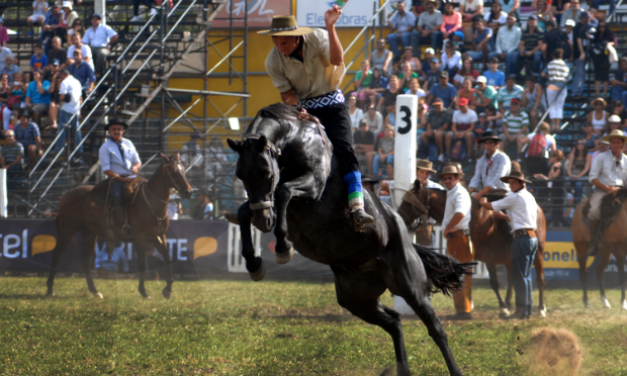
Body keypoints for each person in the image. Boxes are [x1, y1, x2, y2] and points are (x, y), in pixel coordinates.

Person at [480, 169, 538, 320]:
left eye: (513, 182)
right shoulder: (529, 196)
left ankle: (520, 311)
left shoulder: (514, 196)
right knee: (525, 276)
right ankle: (527, 310)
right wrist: (505, 216)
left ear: (521, 183)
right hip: (531, 237)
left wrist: (482, 197)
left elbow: (488, 207)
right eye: (510, 182)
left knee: (518, 276)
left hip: (521, 239)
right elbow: (520, 217)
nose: (511, 185)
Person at [438, 164, 473, 320]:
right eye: (445, 178)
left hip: (459, 238)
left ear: (457, 178)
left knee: (459, 275)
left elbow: (460, 212)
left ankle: (463, 312)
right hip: (456, 238)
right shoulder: (454, 192)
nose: (447, 181)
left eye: (450, 178)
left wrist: (448, 228)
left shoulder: (459, 192)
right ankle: (463, 309)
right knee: (458, 274)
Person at [586, 129, 627, 256]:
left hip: (622, 191)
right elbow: (592, 177)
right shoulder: (601, 157)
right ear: (610, 144)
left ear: (622, 144)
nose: (615, 144)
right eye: (613, 142)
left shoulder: (626, 159)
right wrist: (607, 189)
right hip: (602, 190)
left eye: (618, 142)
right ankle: (593, 242)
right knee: (593, 211)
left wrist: (620, 190)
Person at [99, 119, 142, 237]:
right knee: (117, 196)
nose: (116, 131)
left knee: (146, 193)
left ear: (122, 131)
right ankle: (124, 225)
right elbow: (106, 169)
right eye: (113, 129)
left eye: (119, 129)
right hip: (116, 179)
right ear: (109, 131)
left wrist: (135, 167)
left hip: (132, 177)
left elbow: (138, 161)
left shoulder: (129, 143)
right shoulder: (105, 147)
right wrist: (122, 180)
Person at [469, 131, 512, 199]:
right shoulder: (481, 160)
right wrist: (468, 194)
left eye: (490, 143)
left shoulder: (503, 158)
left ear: (497, 144)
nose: (488, 146)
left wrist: (480, 194)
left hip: (501, 193)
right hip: (486, 194)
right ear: (483, 145)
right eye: (486, 143)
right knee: (470, 197)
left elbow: (498, 178)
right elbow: (476, 178)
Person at [54, 69, 83, 154]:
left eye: (60, 76)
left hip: (66, 109)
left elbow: (62, 96)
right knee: (77, 130)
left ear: (63, 75)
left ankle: (58, 149)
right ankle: (80, 149)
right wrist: (79, 111)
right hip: (75, 109)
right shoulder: (77, 82)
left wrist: (57, 99)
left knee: (61, 130)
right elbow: (80, 99)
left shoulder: (65, 82)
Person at [543, 48, 569, 132]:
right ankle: (558, 126)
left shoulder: (551, 63)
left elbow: (543, 74)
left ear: (553, 56)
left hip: (552, 85)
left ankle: (553, 125)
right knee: (559, 106)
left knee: (551, 105)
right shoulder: (566, 65)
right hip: (562, 86)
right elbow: (569, 76)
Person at [422, 97, 453, 162]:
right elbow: (429, 124)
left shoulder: (447, 112)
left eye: (438, 105)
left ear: (442, 105)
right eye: (435, 105)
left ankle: (441, 154)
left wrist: (434, 131)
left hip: (443, 131)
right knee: (422, 135)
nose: (437, 107)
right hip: (432, 130)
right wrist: (428, 131)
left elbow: (445, 126)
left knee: (437, 134)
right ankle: (430, 153)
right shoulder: (432, 111)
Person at [490, 13, 521, 77]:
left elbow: (517, 45)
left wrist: (507, 52)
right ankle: (492, 74)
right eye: (508, 19)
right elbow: (497, 43)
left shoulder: (518, 30)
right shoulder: (501, 29)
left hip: (511, 52)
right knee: (490, 55)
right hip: (500, 52)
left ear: (515, 20)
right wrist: (500, 52)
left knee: (509, 56)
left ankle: (508, 76)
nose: (509, 21)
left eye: (511, 19)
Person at [569, 12, 592, 100]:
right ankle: (574, 92)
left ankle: (580, 91)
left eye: (589, 18)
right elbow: (578, 40)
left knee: (583, 73)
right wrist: (582, 52)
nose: (588, 19)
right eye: (586, 18)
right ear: (581, 18)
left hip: (585, 53)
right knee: (579, 73)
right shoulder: (578, 27)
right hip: (578, 54)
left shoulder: (586, 26)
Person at [591, 20, 615, 99]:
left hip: (605, 56)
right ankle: (597, 94)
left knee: (605, 75)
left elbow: (614, 41)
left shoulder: (609, 34)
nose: (602, 28)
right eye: (600, 26)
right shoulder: (596, 34)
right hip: (597, 57)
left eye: (603, 26)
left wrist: (608, 43)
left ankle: (604, 94)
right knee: (597, 75)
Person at [448, 97, 477, 162]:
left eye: (463, 106)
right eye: (460, 106)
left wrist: (463, 133)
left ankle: (468, 156)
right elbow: (453, 126)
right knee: (448, 134)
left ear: (467, 105)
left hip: (468, 131)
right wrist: (455, 132)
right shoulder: (456, 113)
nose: (461, 107)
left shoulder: (472, 113)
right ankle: (448, 155)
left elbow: (472, 127)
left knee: (468, 135)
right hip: (458, 131)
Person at [566, 138, 592, 203]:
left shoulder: (588, 155)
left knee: (579, 183)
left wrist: (578, 176)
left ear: (585, 145)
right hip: (573, 174)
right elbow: (569, 168)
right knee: (566, 181)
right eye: (578, 144)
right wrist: (570, 175)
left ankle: (578, 203)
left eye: (582, 144)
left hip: (583, 175)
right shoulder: (573, 155)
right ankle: (568, 201)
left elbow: (586, 169)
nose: (580, 145)